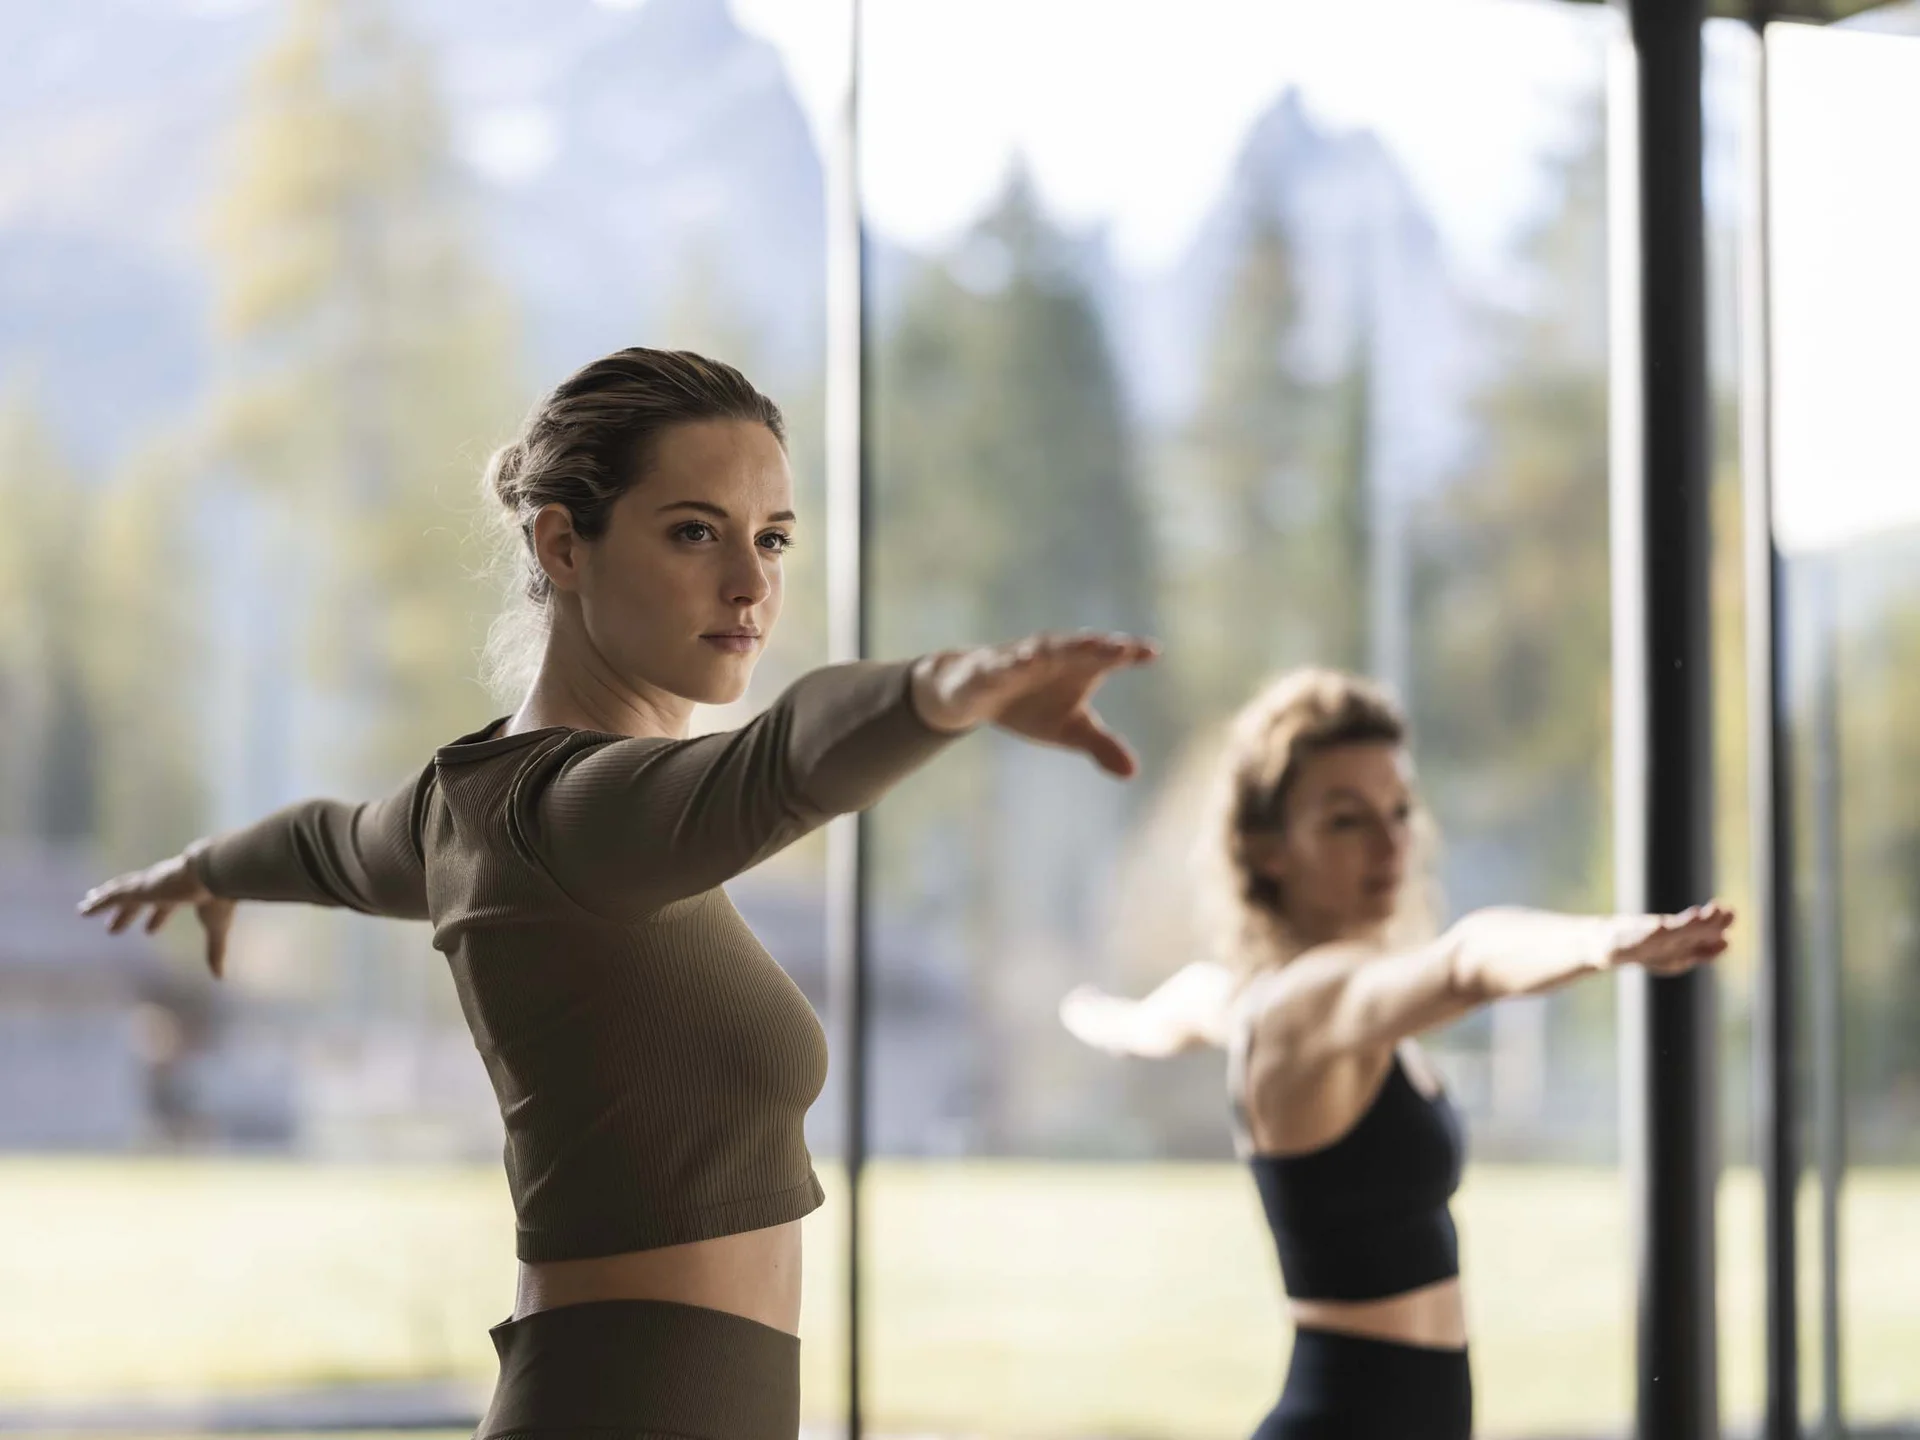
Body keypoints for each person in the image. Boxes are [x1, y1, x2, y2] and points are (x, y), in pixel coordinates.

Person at [79, 348, 1158, 1440]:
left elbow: (329, 845)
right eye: (696, 532)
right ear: (563, 543)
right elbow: (778, 765)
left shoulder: (471, 802)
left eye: (772, 538)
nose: (751, 585)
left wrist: (211, 866)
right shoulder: (567, 814)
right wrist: (944, 692)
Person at [1060, 667, 1730, 1440]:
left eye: (1400, 811)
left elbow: (1187, 1004)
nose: (1389, 844)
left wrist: (1116, 1022)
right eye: (1346, 820)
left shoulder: (1260, 999)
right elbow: (1466, 961)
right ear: (1266, 849)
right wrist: (1600, 942)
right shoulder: (1305, 1003)